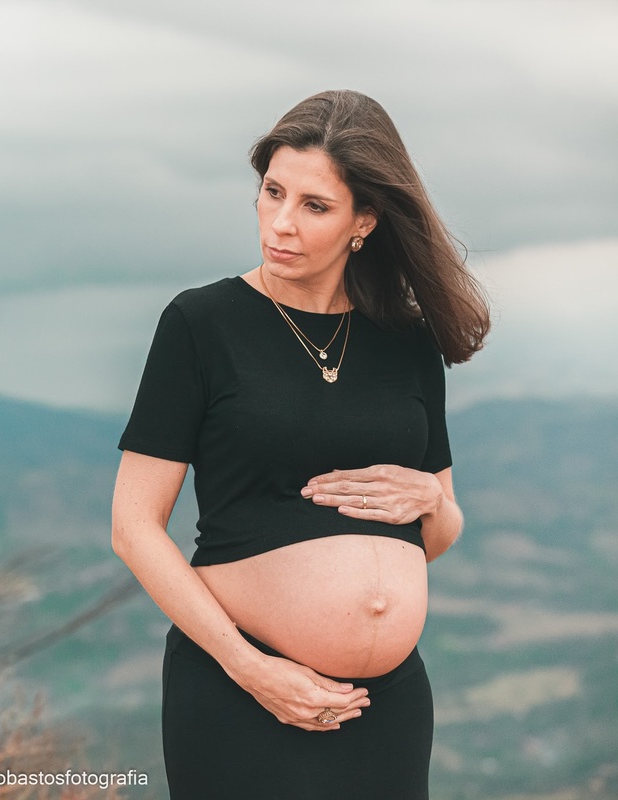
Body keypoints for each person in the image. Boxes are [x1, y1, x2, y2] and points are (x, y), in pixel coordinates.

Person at [111, 90, 490, 799]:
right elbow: (133, 528)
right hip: (241, 690)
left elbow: (439, 532)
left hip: (387, 705)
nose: (281, 223)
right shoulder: (202, 324)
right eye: (272, 192)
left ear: (364, 222)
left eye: (314, 206)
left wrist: (430, 500)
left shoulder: (406, 340)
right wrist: (251, 668)